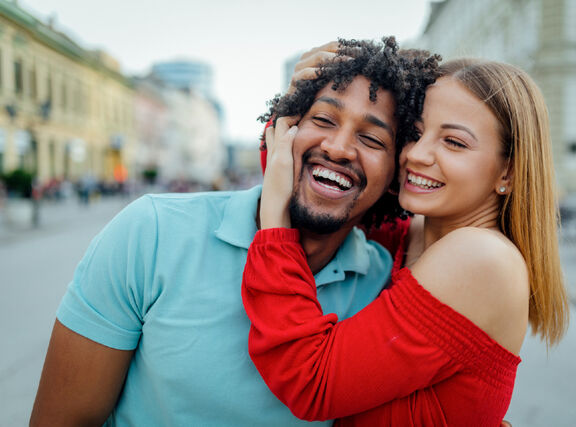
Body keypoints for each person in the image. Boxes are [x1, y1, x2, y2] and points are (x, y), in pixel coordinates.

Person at [29, 38, 440, 426]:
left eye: (371, 138)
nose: (338, 147)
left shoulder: (385, 281)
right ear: (281, 131)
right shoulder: (150, 232)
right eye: (322, 119)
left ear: (395, 176)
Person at [242, 58, 570, 426]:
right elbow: (324, 192)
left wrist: (274, 224)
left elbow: (312, 381)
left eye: (453, 142)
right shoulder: (413, 234)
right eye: (414, 133)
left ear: (507, 171)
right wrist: (305, 99)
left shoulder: (481, 257)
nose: (416, 154)